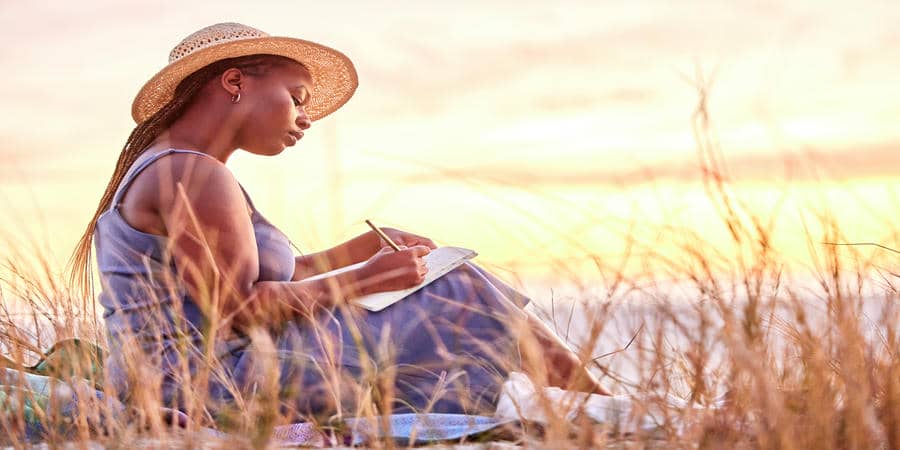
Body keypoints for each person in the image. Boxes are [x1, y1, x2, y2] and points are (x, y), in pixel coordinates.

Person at [69, 22, 607, 422]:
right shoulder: (192, 173)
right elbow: (237, 312)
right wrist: (375, 278)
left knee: (459, 289)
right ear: (234, 81)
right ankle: (610, 413)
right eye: (297, 99)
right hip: (204, 384)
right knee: (462, 291)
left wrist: (360, 252)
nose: (305, 119)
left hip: (195, 374)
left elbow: (264, 279)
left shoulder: (184, 168)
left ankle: (598, 409)